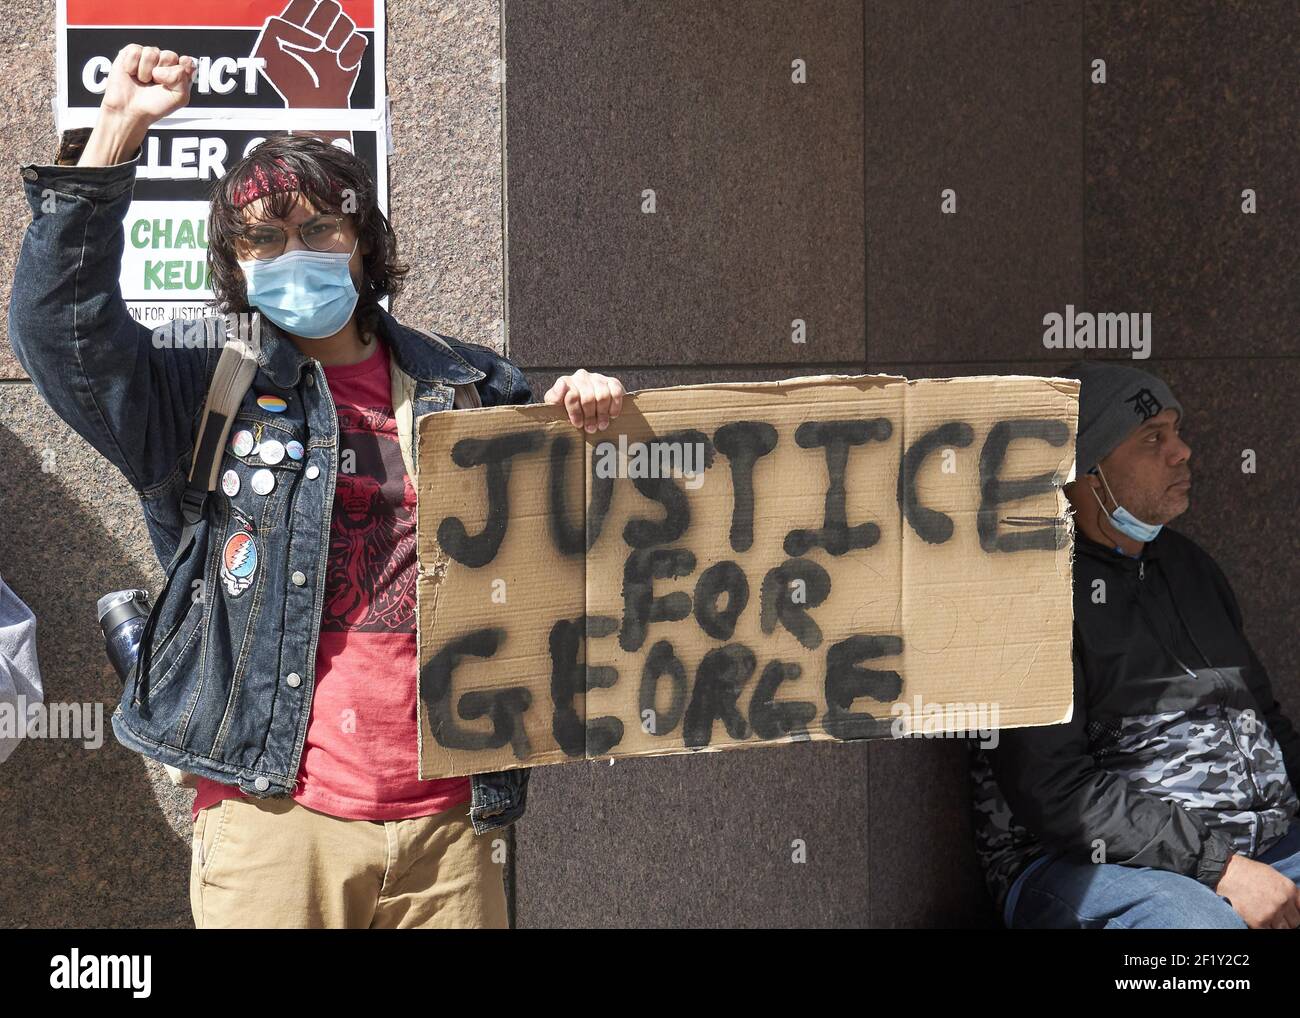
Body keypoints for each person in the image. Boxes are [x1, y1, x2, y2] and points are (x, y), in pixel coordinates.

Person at [9, 45, 625, 928]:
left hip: (451, 828)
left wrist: (591, 431)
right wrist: (116, 133)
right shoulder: (201, 395)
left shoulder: (477, 387)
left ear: (363, 244)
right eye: (261, 238)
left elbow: (572, 565)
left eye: (317, 229)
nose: (291, 251)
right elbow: (58, 336)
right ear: (236, 267)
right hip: (274, 822)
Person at [971, 361, 1300, 930]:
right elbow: (1055, 790)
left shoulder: (1189, 565)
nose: (1182, 452)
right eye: (1154, 439)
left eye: (1176, 432)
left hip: (1256, 842)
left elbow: (1262, 719)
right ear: (1086, 471)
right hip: (1086, 866)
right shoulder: (1026, 595)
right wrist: (1222, 870)